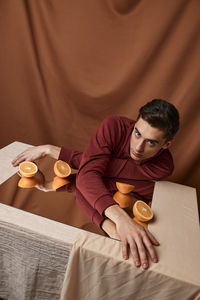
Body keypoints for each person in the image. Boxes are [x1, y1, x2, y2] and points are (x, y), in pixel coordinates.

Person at [12, 99, 179, 270]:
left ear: (166, 144)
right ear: (135, 123)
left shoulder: (163, 167)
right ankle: (114, 234)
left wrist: (52, 156)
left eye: (151, 142)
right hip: (113, 212)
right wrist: (120, 222)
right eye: (137, 133)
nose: (138, 147)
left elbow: (91, 174)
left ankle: (114, 234)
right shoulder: (114, 126)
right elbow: (89, 173)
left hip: (146, 213)